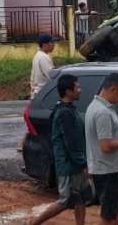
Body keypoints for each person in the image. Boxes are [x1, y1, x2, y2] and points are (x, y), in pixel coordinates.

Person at [28, 74, 91, 225]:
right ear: (68, 91)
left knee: (80, 197)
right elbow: (70, 143)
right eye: (77, 87)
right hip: (69, 165)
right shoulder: (64, 113)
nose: (80, 90)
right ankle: (34, 222)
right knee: (65, 200)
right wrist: (83, 163)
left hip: (73, 163)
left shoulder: (66, 109)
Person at [85, 73, 118, 225]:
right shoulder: (102, 112)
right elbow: (106, 146)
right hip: (107, 170)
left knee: (113, 212)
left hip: (108, 169)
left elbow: (104, 138)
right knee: (108, 215)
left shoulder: (99, 107)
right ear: (113, 88)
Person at [31, 33, 57, 98]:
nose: (54, 44)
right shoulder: (43, 57)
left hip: (37, 92)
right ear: (44, 45)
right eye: (52, 42)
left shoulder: (37, 55)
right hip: (43, 93)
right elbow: (51, 76)